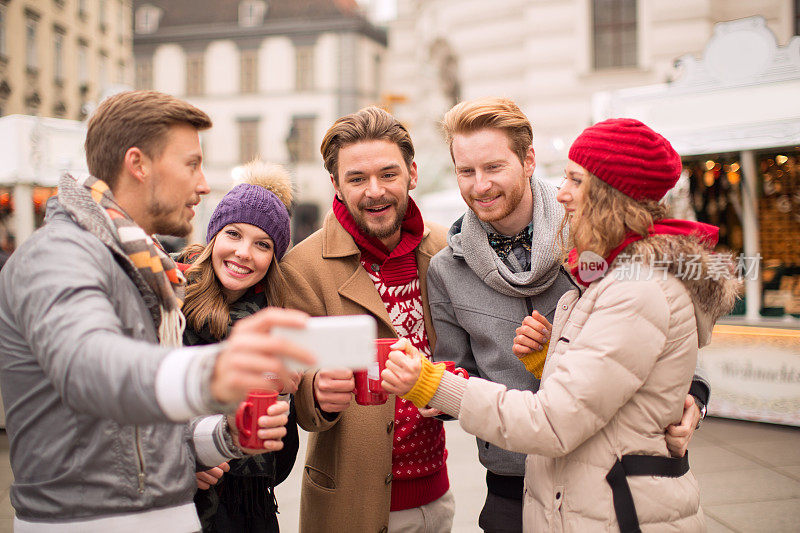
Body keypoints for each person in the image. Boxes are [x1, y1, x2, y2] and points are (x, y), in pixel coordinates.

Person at [382, 117, 739, 532]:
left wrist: (694, 395)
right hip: (522, 486)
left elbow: (662, 351)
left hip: (609, 489)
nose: (480, 185)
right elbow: (597, 363)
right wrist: (443, 389)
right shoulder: (450, 268)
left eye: (494, 167)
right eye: (466, 171)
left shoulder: (597, 258)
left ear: (528, 160)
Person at [0, 90, 313, 532]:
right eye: (192, 164)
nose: (203, 184)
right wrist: (218, 370)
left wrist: (225, 436)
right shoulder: (57, 254)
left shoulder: (144, 267)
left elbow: (135, 435)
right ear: (138, 164)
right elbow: (89, 366)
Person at [280, 106, 453, 532]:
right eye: (357, 178)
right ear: (336, 184)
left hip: (438, 494)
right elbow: (294, 384)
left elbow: (462, 354)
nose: (374, 191)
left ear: (412, 173)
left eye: (388, 174)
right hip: (349, 504)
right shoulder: (303, 266)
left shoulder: (445, 248)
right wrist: (315, 390)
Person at [176, 160, 300, 533]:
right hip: (182, 505)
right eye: (233, 234)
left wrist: (286, 398)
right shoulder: (171, 300)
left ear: (273, 258)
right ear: (214, 235)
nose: (244, 252)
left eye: (262, 244)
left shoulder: (276, 320)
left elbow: (280, 458)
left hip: (250, 509)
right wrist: (184, 463)